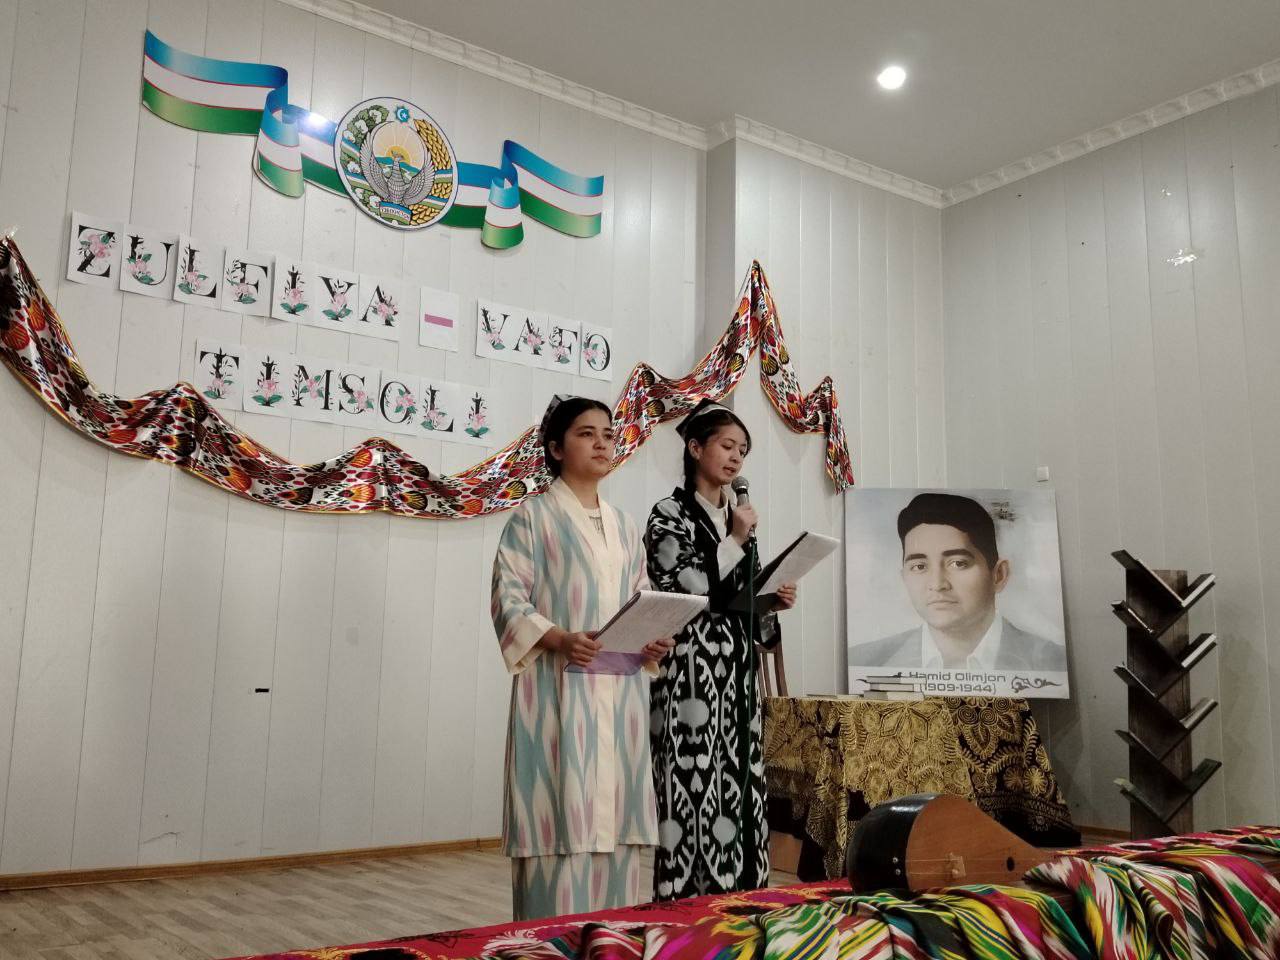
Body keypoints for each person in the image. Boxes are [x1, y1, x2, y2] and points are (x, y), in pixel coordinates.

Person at [491, 395, 674, 921]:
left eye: (608, 434)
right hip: (558, 693)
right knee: (558, 815)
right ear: (555, 448)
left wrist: (652, 638)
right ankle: (547, 945)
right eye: (586, 434)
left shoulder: (625, 526)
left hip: (619, 695)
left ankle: (609, 945)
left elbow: (640, 598)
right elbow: (508, 600)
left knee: (614, 825)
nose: (601, 444)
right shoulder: (532, 518)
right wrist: (559, 638)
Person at [644, 399, 797, 901]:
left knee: (741, 780)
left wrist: (771, 599)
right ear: (695, 448)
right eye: (727, 446)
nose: (736, 457)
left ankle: (744, 896)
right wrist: (733, 540)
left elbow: (743, 599)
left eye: (743, 450)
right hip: (689, 669)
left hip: (736, 671)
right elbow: (683, 586)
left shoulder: (738, 519)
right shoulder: (668, 514)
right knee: (692, 782)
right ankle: (687, 899)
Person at [849, 492, 1064, 671]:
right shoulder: (864, 662)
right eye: (919, 566)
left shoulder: (1053, 663)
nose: (937, 584)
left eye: (958, 563)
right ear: (904, 577)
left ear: (999, 575)